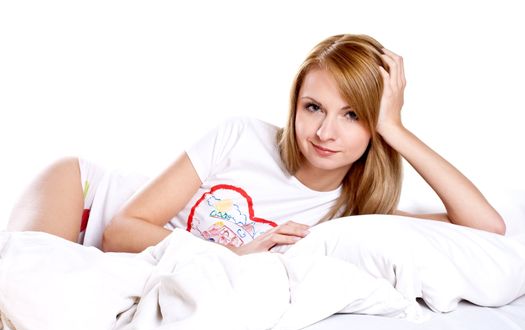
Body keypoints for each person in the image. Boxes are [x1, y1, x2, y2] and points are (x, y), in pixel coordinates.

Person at [6, 34, 506, 254]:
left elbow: (486, 229)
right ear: (295, 104)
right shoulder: (241, 135)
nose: (325, 132)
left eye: (353, 115)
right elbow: (122, 231)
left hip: (119, 256)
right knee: (34, 282)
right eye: (313, 107)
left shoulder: (352, 217)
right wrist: (230, 258)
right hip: (85, 197)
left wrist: (396, 129)